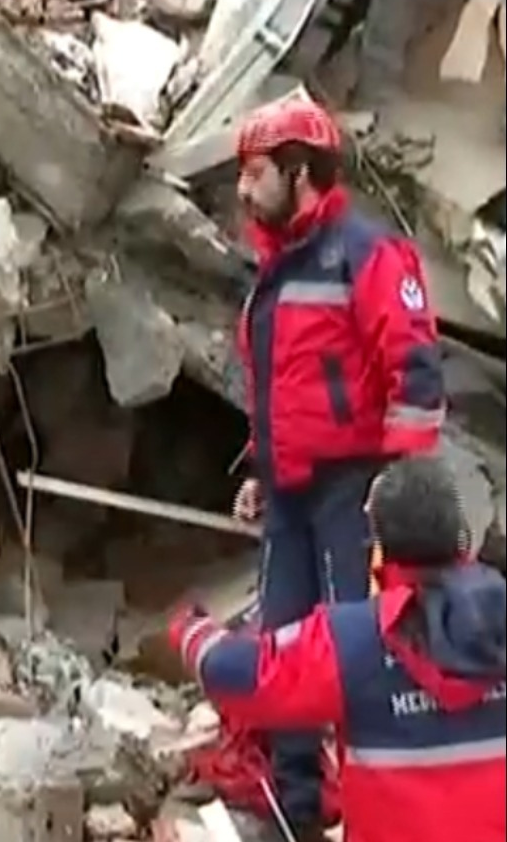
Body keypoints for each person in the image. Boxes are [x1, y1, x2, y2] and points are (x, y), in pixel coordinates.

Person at [227, 98, 446, 834]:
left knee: (362, 647)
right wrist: (260, 468)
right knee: (283, 642)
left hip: (354, 486)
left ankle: (375, 802)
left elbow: (414, 367)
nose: (241, 190)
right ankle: (298, 807)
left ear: (299, 172)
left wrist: (398, 481)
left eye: (254, 174)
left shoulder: (366, 253)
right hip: (291, 490)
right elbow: (276, 385)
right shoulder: (279, 265)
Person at [173, 456, 504, 842]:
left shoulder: (353, 639)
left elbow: (239, 675)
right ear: (461, 535)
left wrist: (191, 629)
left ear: (379, 542)